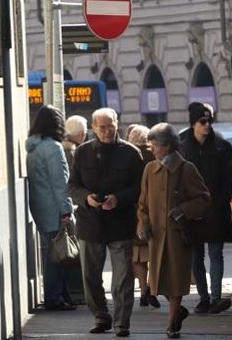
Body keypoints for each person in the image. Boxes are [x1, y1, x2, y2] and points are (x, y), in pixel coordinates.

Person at [68, 108, 145, 337]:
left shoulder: (131, 153)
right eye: (102, 127)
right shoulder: (82, 153)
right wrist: (87, 199)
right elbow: (72, 186)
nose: (107, 131)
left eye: (111, 125)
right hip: (90, 224)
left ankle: (122, 323)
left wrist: (119, 198)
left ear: (117, 124)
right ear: (93, 128)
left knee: (123, 278)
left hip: (120, 223)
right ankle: (101, 316)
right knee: (90, 276)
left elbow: (140, 187)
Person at [136, 123, 212, 339]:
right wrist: (142, 223)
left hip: (177, 235)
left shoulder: (186, 168)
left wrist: (183, 211)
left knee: (176, 280)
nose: (152, 149)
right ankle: (177, 312)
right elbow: (142, 203)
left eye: (155, 145)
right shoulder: (149, 169)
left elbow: (204, 198)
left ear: (168, 146)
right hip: (156, 236)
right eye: (150, 144)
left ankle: (172, 324)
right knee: (159, 282)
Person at [179, 103, 232, 314]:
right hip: (193, 210)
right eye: (202, 122)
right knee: (196, 256)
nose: (207, 125)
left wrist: (218, 200)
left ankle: (215, 297)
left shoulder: (222, 147)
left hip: (216, 208)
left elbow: (231, 177)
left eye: (209, 121)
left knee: (216, 253)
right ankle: (203, 298)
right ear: (193, 123)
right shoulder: (183, 148)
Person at [25, 105, 76, 311]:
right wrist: (66, 210)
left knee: (53, 251)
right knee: (57, 254)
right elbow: (60, 182)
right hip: (54, 207)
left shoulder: (33, 148)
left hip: (39, 205)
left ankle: (62, 294)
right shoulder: (54, 148)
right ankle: (54, 297)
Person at [126, 125, 160, 308]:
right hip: (153, 209)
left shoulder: (128, 155)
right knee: (154, 252)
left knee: (138, 256)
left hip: (133, 210)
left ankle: (143, 291)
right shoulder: (155, 156)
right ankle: (152, 287)